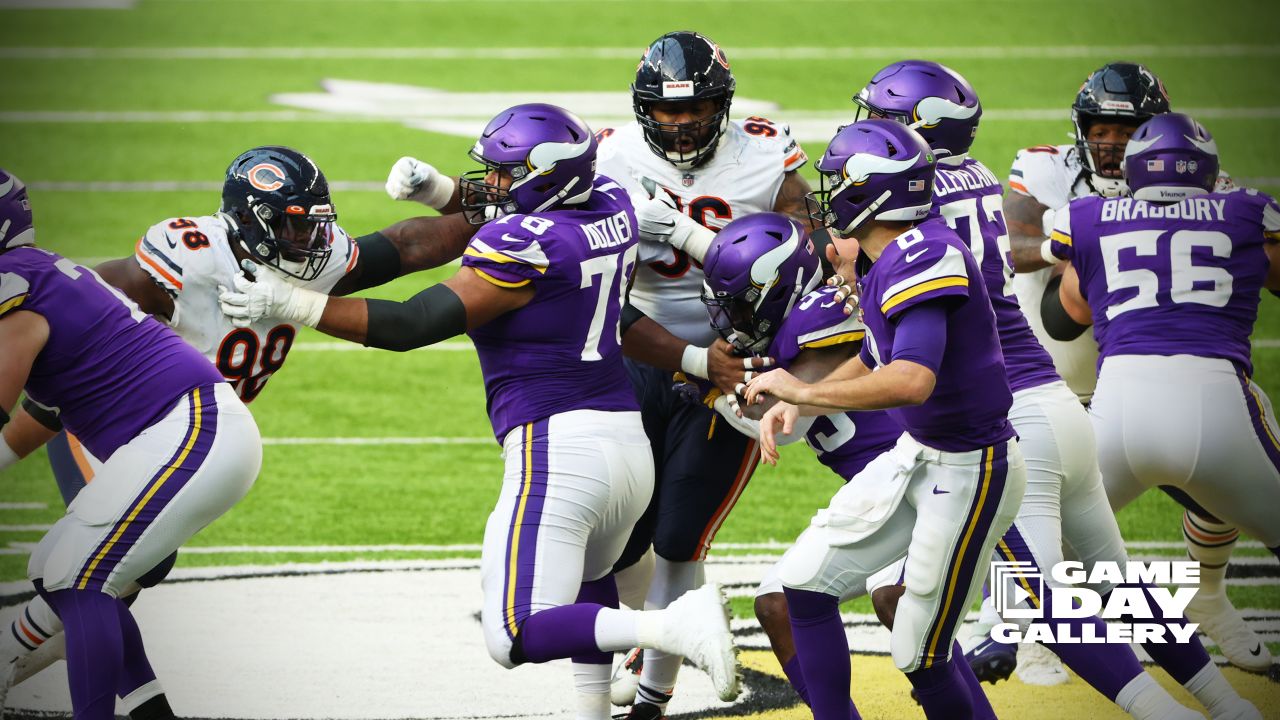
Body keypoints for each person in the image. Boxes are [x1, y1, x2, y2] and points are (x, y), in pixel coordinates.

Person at [216, 103, 741, 718]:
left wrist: (295, 303)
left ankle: (673, 626)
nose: (490, 186)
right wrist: (438, 189)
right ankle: (592, 711)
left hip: (559, 448)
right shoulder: (611, 205)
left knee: (513, 632)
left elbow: (414, 323)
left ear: (543, 177)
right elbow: (581, 287)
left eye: (501, 174)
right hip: (625, 446)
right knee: (586, 589)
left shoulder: (522, 244)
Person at [0, 145, 480, 690]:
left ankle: (42, 648)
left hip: (187, 429)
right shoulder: (192, 258)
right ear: (250, 221)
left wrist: (488, 216)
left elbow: (405, 246)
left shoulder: (312, 260)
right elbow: (77, 326)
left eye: (314, 224)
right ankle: (23, 650)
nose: (310, 241)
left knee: (119, 572)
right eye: (294, 226)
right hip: (112, 423)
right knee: (113, 570)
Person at [838, 59, 1217, 720]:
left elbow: (845, 257)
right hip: (1056, 406)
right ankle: (1224, 705)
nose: (866, 135)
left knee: (1038, 608)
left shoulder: (912, 199)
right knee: (1118, 584)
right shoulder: (976, 176)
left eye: (881, 121)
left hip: (1003, 422)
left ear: (914, 129)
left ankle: (1167, 714)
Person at [742, 119, 1027, 720]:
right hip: (918, 457)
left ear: (870, 192)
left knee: (920, 652)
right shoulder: (887, 257)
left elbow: (912, 379)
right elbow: (876, 355)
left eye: (836, 182)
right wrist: (804, 397)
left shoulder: (924, 253)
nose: (825, 198)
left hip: (971, 466)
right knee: (804, 582)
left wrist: (800, 386)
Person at [1004, 62, 1267, 673]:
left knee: (1223, 464)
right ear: (1081, 129)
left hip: (1138, 366)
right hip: (1054, 371)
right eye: (1101, 129)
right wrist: (1070, 244)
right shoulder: (1046, 167)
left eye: (1128, 132)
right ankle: (1021, 629)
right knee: (1033, 513)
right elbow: (1011, 246)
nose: (1113, 144)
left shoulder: (1203, 185)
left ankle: (1208, 596)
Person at [592, 30, 813, 716]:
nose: (681, 125)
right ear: (641, 108)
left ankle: (651, 700)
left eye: (695, 110)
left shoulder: (765, 151)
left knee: (681, 535)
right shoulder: (613, 156)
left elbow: (809, 247)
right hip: (637, 353)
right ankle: (642, 638)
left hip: (736, 360)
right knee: (611, 532)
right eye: (665, 111)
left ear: (723, 104)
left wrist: (699, 239)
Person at [0, 169, 263, 719]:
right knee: (56, 568)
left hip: (190, 426)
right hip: (181, 428)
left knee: (80, 576)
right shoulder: (35, 272)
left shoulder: (15, 285)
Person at [1047, 113, 1280, 719]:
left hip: (1120, 408)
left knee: (1038, 566)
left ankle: (1007, 638)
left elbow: (1067, 311)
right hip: (1220, 406)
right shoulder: (1248, 211)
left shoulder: (1091, 217)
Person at [700, 211, 907, 708]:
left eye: (744, 307)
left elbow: (783, 419)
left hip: (912, 473)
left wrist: (714, 392)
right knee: (777, 605)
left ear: (781, 288)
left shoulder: (823, 314)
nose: (735, 321)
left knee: (898, 606)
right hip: (870, 487)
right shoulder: (805, 310)